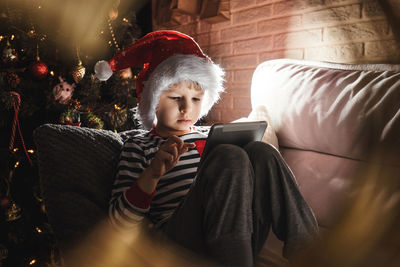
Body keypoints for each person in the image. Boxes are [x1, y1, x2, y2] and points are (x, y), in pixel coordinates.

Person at [106, 30, 318, 267]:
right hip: (178, 244)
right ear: (153, 101)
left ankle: (311, 252)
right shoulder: (139, 145)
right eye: (176, 98)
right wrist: (152, 174)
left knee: (261, 151)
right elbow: (118, 224)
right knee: (229, 155)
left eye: (196, 99)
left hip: (238, 232)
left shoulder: (212, 136)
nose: (187, 109)